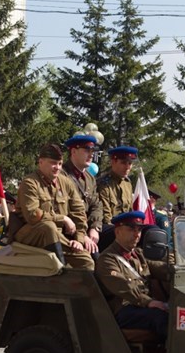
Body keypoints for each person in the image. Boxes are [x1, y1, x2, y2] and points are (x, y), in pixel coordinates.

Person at [13, 144, 94, 269]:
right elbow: (33, 215)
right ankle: (59, 268)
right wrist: (63, 219)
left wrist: (79, 238)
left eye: (60, 164)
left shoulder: (65, 182)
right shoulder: (30, 183)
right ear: (40, 162)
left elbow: (79, 211)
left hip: (59, 237)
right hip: (31, 234)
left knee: (86, 262)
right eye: (53, 163)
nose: (57, 168)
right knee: (48, 226)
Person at [94, 211, 171, 340]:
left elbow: (160, 268)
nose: (137, 235)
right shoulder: (107, 259)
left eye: (139, 230)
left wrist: (179, 272)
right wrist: (149, 301)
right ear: (117, 232)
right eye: (131, 229)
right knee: (162, 318)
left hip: (141, 306)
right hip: (124, 308)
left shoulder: (138, 254)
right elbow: (124, 286)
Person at [62, 135, 103, 254]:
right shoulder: (62, 176)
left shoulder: (90, 179)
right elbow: (64, 210)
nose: (91, 155)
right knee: (94, 257)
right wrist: (81, 234)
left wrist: (95, 227)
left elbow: (97, 205)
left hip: (88, 228)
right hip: (70, 230)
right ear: (74, 151)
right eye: (86, 150)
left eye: (92, 151)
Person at [97, 146, 137, 225]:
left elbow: (130, 210)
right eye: (123, 163)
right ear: (113, 162)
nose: (127, 167)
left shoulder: (127, 183)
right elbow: (105, 214)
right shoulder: (103, 183)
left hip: (126, 227)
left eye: (130, 163)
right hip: (109, 227)